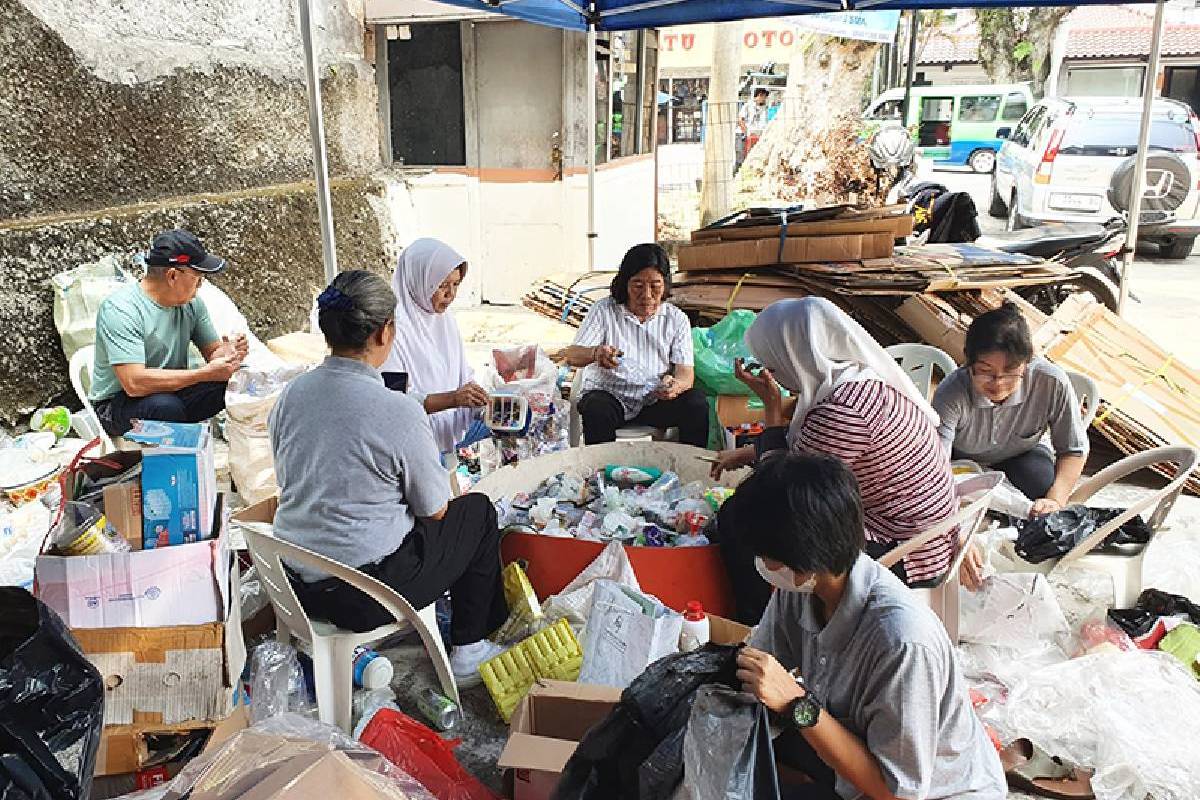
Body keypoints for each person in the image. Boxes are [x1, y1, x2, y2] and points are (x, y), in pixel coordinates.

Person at [269, 270, 508, 686]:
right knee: (477, 512)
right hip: (361, 596)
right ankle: (470, 649)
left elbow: (292, 473)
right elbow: (435, 510)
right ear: (384, 333)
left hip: (293, 584)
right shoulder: (396, 410)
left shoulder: (292, 394)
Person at [729, 453, 1006, 800]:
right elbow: (761, 661)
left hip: (922, 792)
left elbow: (896, 793)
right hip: (855, 744)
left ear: (804, 563)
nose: (761, 564)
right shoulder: (803, 586)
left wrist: (796, 703)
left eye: (766, 555)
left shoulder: (902, 643)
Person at [711, 297, 957, 625]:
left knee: (744, 521)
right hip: (928, 531)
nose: (773, 374)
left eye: (773, 363)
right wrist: (747, 451)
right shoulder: (857, 380)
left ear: (795, 355)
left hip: (908, 551)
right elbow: (804, 450)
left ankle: (755, 625)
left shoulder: (841, 412)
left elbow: (782, 487)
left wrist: (772, 406)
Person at [933, 303, 1089, 591]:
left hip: (1022, 454)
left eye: (1010, 372)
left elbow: (1073, 449)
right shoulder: (951, 392)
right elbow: (934, 468)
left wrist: (1055, 500)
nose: (998, 383)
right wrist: (953, 531)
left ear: (1027, 364)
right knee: (959, 510)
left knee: (1040, 493)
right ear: (968, 364)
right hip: (964, 461)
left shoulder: (1051, 381)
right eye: (985, 372)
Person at [89, 229, 248, 437]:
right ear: (173, 276)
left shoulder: (192, 305)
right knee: (165, 408)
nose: (200, 286)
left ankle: (188, 436)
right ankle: (176, 455)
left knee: (237, 381)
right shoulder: (121, 309)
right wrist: (205, 373)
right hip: (118, 404)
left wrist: (228, 356)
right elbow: (134, 383)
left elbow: (213, 352)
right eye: (198, 279)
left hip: (172, 391)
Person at [561, 243, 709, 448]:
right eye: (638, 286)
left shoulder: (676, 319)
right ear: (625, 284)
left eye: (655, 286)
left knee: (696, 403)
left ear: (665, 285)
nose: (647, 295)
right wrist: (596, 353)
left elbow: (686, 374)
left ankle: (692, 469)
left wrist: (674, 387)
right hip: (611, 398)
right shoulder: (604, 310)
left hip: (654, 400)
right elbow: (572, 355)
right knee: (596, 408)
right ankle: (601, 473)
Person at [382, 238, 488, 454]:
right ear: (418, 281)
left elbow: (460, 374)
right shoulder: (392, 330)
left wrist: (480, 400)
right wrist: (452, 399)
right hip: (411, 447)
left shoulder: (444, 321)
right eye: (442, 286)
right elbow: (393, 400)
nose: (451, 295)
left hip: (443, 438)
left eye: (456, 284)